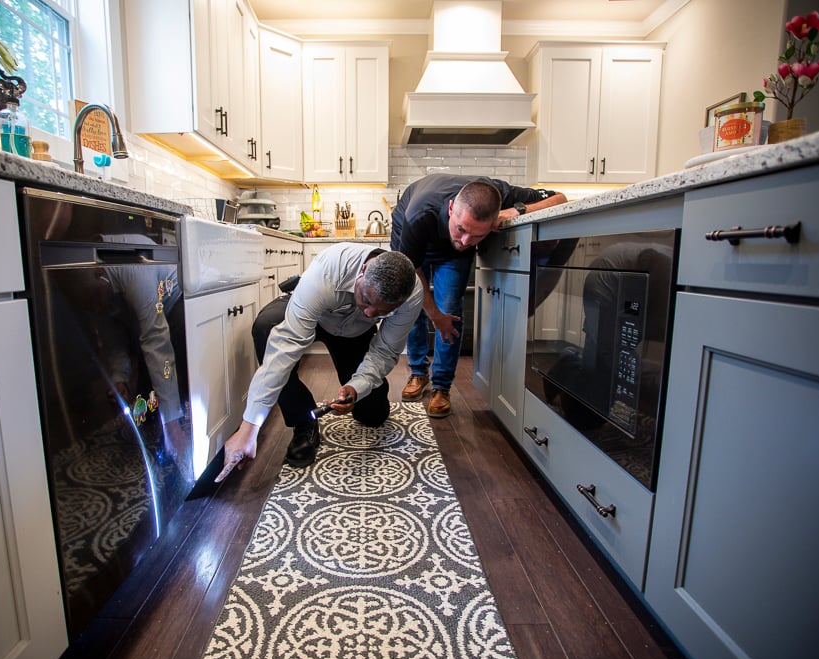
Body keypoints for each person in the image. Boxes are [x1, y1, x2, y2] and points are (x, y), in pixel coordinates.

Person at [214, 243, 423, 483]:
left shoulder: (410, 295)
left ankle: (366, 396)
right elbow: (286, 346)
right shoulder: (327, 272)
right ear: (363, 270)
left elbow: (385, 350)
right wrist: (249, 428)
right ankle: (304, 422)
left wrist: (356, 387)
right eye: (365, 299)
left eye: (380, 313)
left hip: (354, 333)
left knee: (373, 414)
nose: (369, 313)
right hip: (315, 316)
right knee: (266, 327)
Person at [390, 173, 567, 417]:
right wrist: (434, 315)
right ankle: (418, 372)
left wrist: (518, 211)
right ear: (451, 208)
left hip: (450, 257)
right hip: (409, 239)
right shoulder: (419, 213)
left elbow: (560, 199)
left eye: (477, 235)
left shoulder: (497, 192)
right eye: (461, 229)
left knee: (450, 310)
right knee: (413, 308)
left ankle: (441, 386)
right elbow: (412, 275)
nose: (465, 241)